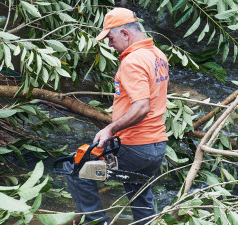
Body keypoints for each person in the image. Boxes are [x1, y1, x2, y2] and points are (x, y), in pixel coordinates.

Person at [64, 7, 169, 225]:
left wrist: (110, 129)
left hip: (134, 148)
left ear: (125, 34)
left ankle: (96, 222)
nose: (110, 44)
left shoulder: (133, 61)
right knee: (139, 192)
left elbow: (141, 106)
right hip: (156, 147)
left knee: (75, 166)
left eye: (110, 38)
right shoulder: (157, 55)